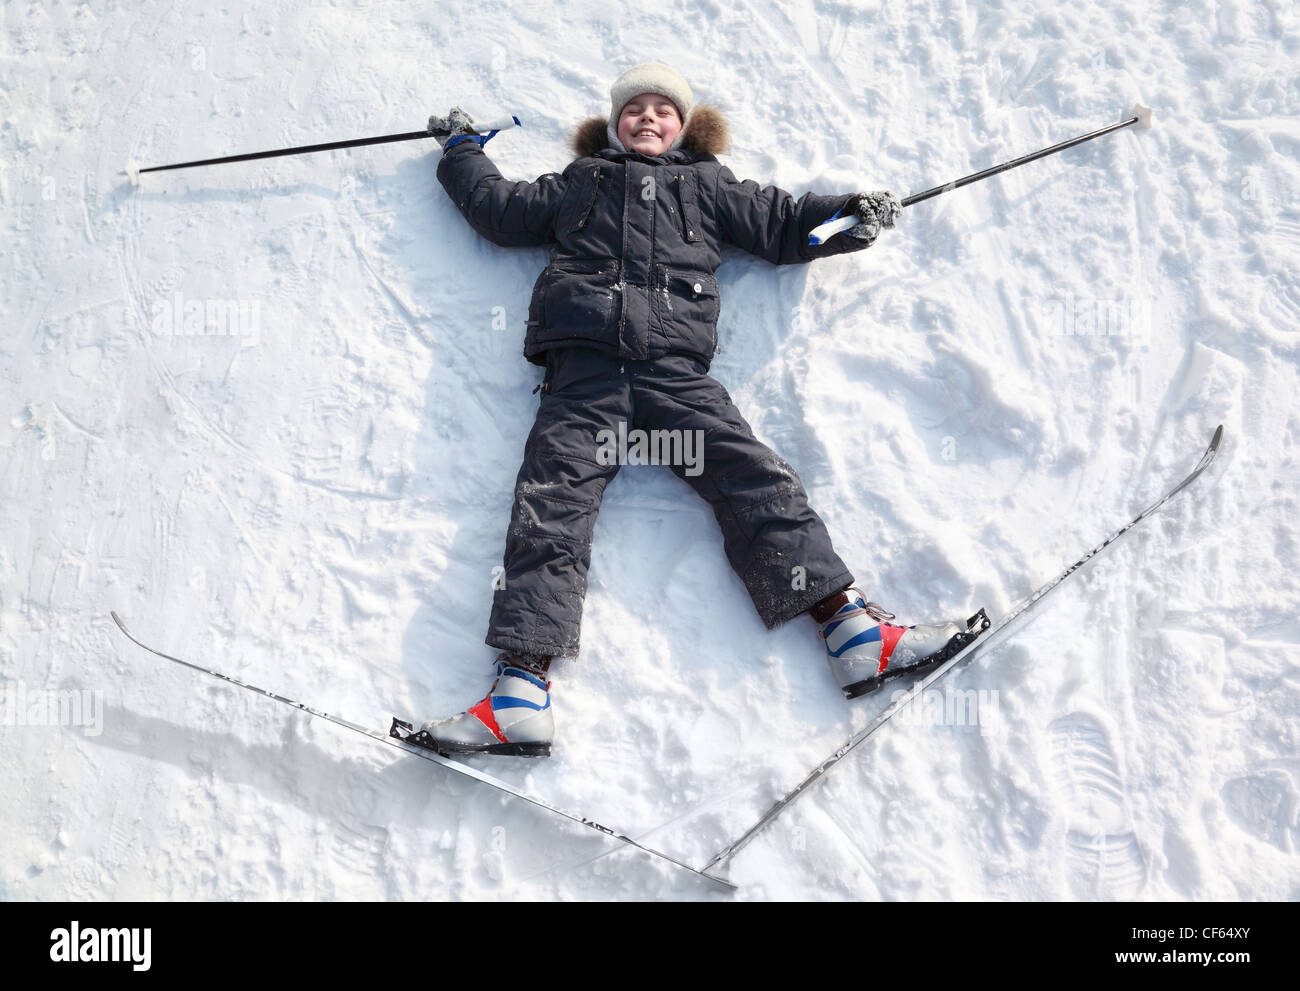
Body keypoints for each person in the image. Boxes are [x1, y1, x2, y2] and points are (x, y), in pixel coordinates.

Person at [417, 63, 978, 757]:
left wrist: (848, 218)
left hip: (675, 381)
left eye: (662, 111)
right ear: (614, 124)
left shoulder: (708, 186)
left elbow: (783, 224)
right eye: (634, 110)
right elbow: (500, 212)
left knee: (756, 482)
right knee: (549, 513)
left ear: (684, 127)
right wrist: (462, 153)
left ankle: (855, 632)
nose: (647, 118)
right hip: (584, 380)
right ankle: (519, 696)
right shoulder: (579, 183)